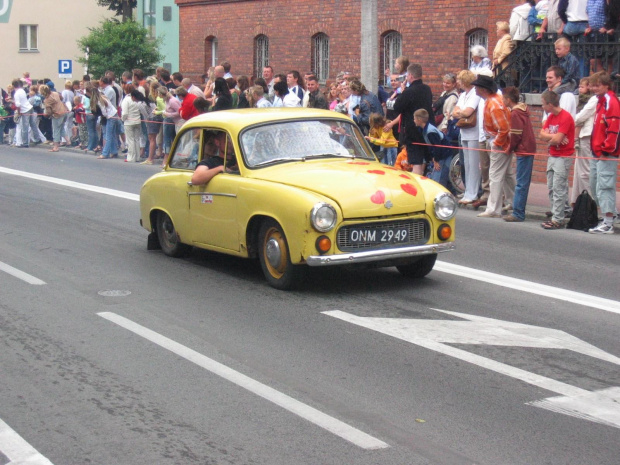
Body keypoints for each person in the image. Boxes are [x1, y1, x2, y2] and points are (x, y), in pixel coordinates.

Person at [472, 75, 514, 218]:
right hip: (501, 141)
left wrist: (496, 143)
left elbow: (504, 128)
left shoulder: (493, 104)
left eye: (477, 87)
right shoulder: (493, 101)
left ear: (483, 89)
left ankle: (493, 209)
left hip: (499, 142)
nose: (475, 89)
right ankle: (513, 202)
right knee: (507, 174)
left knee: (495, 175)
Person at [588, 71, 619, 234]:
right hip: (597, 152)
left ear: (606, 85)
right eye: (593, 85)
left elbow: (614, 129)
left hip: (605, 154)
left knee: (605, 186)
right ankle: (611, 213)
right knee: (595, 185)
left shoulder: (610, 102)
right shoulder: (601, 102)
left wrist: (606, 150)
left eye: (597, 85)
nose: (594, 88)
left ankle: (608, 222)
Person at [539, 90, 576, 229]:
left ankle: (558, 219)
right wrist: (552, 137)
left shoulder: (565, 117)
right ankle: (556, 212)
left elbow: (557, 139)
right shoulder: (550, 117)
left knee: (558, 187)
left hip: (563, 156)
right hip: (553, 154)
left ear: (550, 104)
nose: (542, 107)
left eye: (543, 104)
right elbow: (542, 134)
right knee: (551, 187)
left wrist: (552, 137)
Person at [502, 87, 537, 222]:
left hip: (523, 148)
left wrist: (510, 148)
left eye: (504, 99)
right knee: (523, 181)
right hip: (527, 147)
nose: (503, 101)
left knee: (521, 182)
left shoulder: (515, 113)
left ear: (509, 99)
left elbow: (516, 134)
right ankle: (518, 210)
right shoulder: (522, 111)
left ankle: (518, 212)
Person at [393, 63, 434, 175]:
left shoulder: (409, 91)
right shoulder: (427, 89)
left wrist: (402, 92)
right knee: (424, 160)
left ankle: (417, 186)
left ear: (410, 76)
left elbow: (397, 107)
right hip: (426, 129)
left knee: (416, 161)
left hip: (412, 131)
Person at [452, 70, 482, 204]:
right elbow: (456, 111)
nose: (457, 82)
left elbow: (468, 111)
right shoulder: (463, 95)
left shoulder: (475, 94)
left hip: (473, 132)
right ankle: (468, 192)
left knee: (474, 164)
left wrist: (461, 113)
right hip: (463, 131)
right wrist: (461, 113)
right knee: (467, 164)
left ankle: (473, 193)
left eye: (459, 80)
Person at [570, 77, 597, 205]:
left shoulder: (594, 99)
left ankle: (589, 203)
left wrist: (572, 122)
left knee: (585, 172)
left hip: (586, 135)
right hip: (582, 135)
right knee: (578, 171)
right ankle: (577, 201)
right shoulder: (590, 99)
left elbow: (581, 116)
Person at [413, 109, 454, 188]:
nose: (414, 121)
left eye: (414, 119)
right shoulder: (423, 129)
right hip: (440, 154)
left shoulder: (430, 131)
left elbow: (437, 146)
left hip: (444, 153)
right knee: (442, 173)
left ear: (419, 120)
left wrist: (436, 160)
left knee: (439, 175)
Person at [12, 78, 43, 148]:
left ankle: (25, 143)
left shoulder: (16, 94)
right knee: (33, 124)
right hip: (30, 107)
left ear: (14, 86)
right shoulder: (22, 90)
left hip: (24, 110)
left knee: (25, 127)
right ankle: (37, 139)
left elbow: (18, 105)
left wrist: (19, 112)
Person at [40, 84, 67, 153]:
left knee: (56, 130)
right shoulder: (55, 93)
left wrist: (46, 115)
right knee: (61, 128)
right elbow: (62, 98)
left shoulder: (47, 100)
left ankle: (56, 147)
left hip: (56, 115)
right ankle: (68, 141)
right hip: (64, 111)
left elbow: (48, 112)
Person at [121, 89, 144, 163]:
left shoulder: (126, 100)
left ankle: (131, 157)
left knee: (130, 140)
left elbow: (124, 113)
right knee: (137, 139)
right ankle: (137, 156)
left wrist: (123, 119)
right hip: (137, 121)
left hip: (129, 122)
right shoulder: (138, 102)